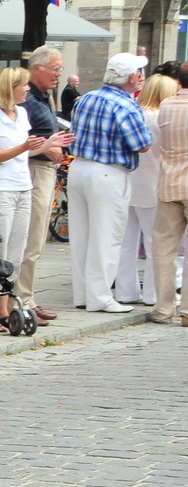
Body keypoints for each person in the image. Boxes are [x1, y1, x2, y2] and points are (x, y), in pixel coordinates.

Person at [67, 52, 153, 313]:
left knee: (81, 236)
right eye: (139, 74)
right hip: (108, 173)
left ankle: (83, 294)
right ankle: (101, 297)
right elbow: (142, 144)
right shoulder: (126, 106)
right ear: (131, 78)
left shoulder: (86, 99)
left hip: (79, 167)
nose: (141, 78)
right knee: (106, 236)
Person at [0, 67, 48, 326]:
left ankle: (3, 305)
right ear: (10, 88)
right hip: (0, 190)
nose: (27, 89)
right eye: (23, 85)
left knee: (16, 252)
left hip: (22, 187)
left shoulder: (22, 113)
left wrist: (48, 145)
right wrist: (23, 147)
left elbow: (24, 152)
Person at [14, 45, 74, 325]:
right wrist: (46, 149)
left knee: (37, 239)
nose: (58, 74)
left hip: (44, 170)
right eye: (55, 68)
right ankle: (22, 299)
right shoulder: (28, 100)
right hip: (34, 171)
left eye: (60, 69)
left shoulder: (42, 97)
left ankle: (27, 297)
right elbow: (18, 143)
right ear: (36, 69)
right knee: (33, 238)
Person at [116, 74, 178, 304]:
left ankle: (125, 290)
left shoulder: (134, 113)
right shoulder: (161, 117)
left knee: (126, 243)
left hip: (128, 181)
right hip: (153, 183)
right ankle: (153, 293)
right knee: (156, 244)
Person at [150, 74, 188, 324]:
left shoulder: (166, 105)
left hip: (170, 181)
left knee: (163, 248)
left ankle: (164, 307)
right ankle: (187, 310)